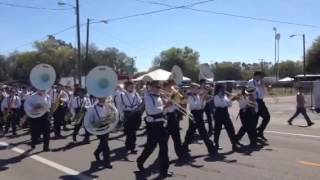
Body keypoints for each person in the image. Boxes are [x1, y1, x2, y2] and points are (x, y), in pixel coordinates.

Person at [137, 81, 171, 178]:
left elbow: (163, 111)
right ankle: (140, 160)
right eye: (156, 87)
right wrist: (165, 106)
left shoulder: (160, 97)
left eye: (159, 86)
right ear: (150, 87)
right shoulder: (147, 97)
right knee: (151, 146)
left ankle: (164, 171)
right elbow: (151, 111)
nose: (159, 88)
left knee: (164, 148)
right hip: (152, 125)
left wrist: (168, 106)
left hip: (161, 124)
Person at [182, 83, 216, 155]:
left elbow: (202, 107)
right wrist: (203, 98)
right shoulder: (190, 96)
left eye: (198, 88)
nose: (198, 89)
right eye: (196, 88)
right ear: (191, 89)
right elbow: (195, 106)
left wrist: (205, 100)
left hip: (199, 115)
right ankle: (185, 146)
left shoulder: (198, 96)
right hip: (194, 114)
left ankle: (185, 146)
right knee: (194, 132)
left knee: (198, 132)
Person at [84, 97, 112, 168]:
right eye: (101, 98)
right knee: (105, 145)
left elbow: (111, 116)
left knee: (103, 143)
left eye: (104, 98)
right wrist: (95, 124)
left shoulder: (108, 106)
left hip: (106, 126)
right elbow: (90, 120)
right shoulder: (92, 108)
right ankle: (107, 162)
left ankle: (97, 152)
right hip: (98, 128)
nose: (103, 99)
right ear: (98, 98)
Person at [213, 84, 241, 152]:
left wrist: (231, 99)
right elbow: (220, 104)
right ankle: (216, 144)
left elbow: (229, 105)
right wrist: (229, 99)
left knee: (230, 129)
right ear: (219, 89)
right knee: (217, 130)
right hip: (219, 113)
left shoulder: (224, 96)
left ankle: (234, 144)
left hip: (225, 113)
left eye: (224, 89)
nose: (224, 90)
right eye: (222, 89)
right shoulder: (216, 97)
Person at [163, 81, 186, 160]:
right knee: (165, 139)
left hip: (173, 116)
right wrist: (166, 105)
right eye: (169, 87)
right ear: (164, 87)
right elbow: (160, 110)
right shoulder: (161, 96)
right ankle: (163, 156)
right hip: (165, 117)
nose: (171, 88)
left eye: (171, 87)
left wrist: (180, 95)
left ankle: (180, 154)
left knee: (177, 137)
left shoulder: (174, 94)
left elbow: (182, 101)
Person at [119, 81, 143, 154]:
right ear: (126, 87)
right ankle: (131, 146)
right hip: (127, 113)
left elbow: (140, 102)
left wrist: (139, 108)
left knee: (134, 131)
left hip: (135, 113)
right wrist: (121, 115)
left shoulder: (136, 94)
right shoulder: (122, 94)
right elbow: (120, 105)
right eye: (130, 86)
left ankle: (130, 145)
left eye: (133, 86)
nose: (132, 87)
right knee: (130, 131)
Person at [248, 71, 270, 141]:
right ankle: (255, 137)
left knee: (267, 117)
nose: (260, 77)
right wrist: (252, 104)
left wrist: (266, 87)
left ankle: (260, 131)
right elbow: (250, 93)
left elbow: (264, 92)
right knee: (255, 120)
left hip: (260, 101)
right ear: (255, 76)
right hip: (254, 101)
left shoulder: (261, 82)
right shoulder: (250, 82)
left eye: (261, 76)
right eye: (259, 76)